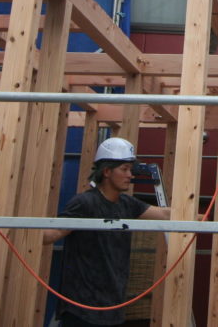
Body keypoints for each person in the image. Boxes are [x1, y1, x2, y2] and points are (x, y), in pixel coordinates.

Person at [43, 137, 170, 326]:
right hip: (82, 312)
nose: (130, 175)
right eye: (124, 169)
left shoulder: (127, 204)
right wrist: (16, 228)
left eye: (130, 169)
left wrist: (201, 217)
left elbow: (164, 214)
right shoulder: (85, 203)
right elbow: (52, 234)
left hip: (113, 310)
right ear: (107, 171)